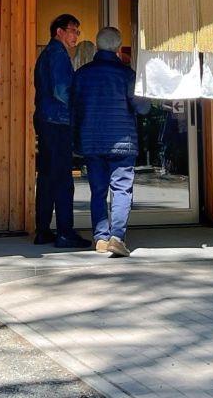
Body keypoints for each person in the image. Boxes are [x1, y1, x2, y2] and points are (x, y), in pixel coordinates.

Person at [71, 26, 145, 257]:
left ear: (97, 44)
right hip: (122, 141)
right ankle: (117, 237)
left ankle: (100, 238)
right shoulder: (127, 74)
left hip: (92, 141)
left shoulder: (82, 74)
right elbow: (142, 108)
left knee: (98, 190)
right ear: (118, 47)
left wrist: (76, 139)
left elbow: (74, 110)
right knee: (122, 189)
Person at [34, 13, 89, 248]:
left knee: (47, 178)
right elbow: (61, 91)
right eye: (73, 30)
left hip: (46, 121)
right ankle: (65, 232)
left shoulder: (47, 54)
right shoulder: (57, 55)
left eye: (77, 31)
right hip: (58, 122)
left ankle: (43, 230)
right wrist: (80, 107)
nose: (76, 35)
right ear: (59, 31)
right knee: (63, 179)